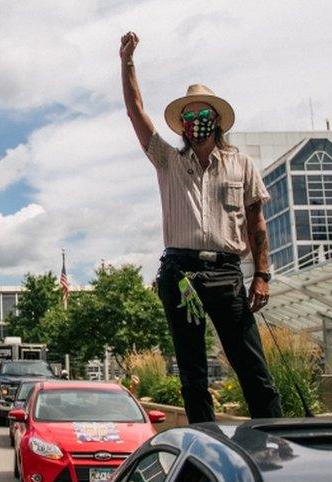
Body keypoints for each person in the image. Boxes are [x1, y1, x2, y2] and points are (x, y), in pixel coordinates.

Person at [120, 31, 281, 424]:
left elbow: (257, 223)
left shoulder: (241, 164)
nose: (196, 122)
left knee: (252, 366)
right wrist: (126, 62)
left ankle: (276, 439)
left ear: (216, 119)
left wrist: (261, 274)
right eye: (188, 116)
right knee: (193, 373)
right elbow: (135, 111)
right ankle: (204, 441)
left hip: (227, 272)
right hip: (181, 273)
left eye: (202, 114)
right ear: (181, 125)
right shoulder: (167, 161)